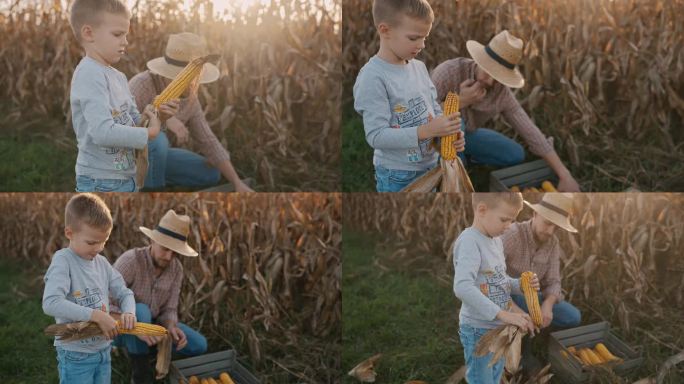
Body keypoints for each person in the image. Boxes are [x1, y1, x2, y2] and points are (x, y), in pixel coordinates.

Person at [431, 31, 581, 192]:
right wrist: (460, 101)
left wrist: (565, 175)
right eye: (488, 72)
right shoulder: (448, 72)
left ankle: (466, 157)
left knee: (514, 154)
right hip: (432, 139)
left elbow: (531, 132)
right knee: (456, 122)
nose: (490, 81)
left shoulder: (501, 93)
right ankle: (452, 180)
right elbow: (422, 115)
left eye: (498, 76)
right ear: (479, 60)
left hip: (467, 135)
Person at [353, 0, 465, 192]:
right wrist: (427, 131)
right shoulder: (373, 77)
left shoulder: (419, 68)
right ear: (385, 30)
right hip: (398, 175)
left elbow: (434, 109)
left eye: (425, 38)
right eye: (414, 38)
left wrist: (446, 134)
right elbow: (376, 136)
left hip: (431, 166)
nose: (421, 45)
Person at [68, 0, 178, 192]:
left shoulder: (118, 77)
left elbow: (133, 121)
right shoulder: (89, 73)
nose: (125, 41)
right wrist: (148, 133)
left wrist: (156, 116)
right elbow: (102, 132)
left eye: (126, 35)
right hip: (101, 180)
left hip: (125, 175)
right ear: (89, 33)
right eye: (118, 34)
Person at [129, 32, 253, 191]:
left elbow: (208, 141)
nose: (191, 83)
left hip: (156, 157)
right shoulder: (142, 84)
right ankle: (150, 191)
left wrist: (237, 183)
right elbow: (118, 127)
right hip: (128, 158)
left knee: (211, 172)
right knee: (158, 139)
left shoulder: (191, 100)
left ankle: (152, 175)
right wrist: (158, 118)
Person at [43, 193, 136, 383]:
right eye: (91, 242)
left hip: (103, 351)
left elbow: (125, 293)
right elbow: (51, 303)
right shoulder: (64, 261)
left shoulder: (101, 263)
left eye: (104, 241)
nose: (98, 248)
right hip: (76, 355)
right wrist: (97, 315)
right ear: (70, 233)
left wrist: (129, 312)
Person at [112, 210, 207, 383]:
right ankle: (140, 372)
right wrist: (135, 328)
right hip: (119, 326)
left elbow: (170, 308)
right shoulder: (131, 261)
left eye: (174, 252)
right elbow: (103, 304)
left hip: (153, 324)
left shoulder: (176, 269)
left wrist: (171, 327)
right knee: (140, 310)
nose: (169, 257)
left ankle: (148, 349)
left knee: (199, 345)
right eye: (165, 249)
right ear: (152, 241)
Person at [453, 193, 539, 384]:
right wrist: (503, 314)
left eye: (513, 220)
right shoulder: (470, 241)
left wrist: (521, 286)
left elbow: (499, 281)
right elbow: (463, 287)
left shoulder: (495, 240)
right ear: (482, 210)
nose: (509, 226)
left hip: (498, 330)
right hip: (479, 331)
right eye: (504, 219)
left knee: (494, 375)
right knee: (481, 379)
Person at [502, 193, 582, 373]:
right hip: (506, 297)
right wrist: (514, 309)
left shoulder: (552, 243)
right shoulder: (513, 235)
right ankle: (523, 353)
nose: (551, 231)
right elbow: (489, 277)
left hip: (534, 297)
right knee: (525, 303)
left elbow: (554, 281)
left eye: (556, 227)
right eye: (547, 223)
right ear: (534, 215)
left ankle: (543, 341)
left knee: (573, 317)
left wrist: (548, 304)